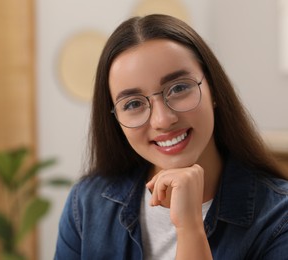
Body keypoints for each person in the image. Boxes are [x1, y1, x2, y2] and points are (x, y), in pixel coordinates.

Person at [54, 14, 288, 259]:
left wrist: (190, 229)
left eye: (178, 88)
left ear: (214, 89)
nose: (162, 120)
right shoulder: (87, 203)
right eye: (133, 104)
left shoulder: (279, 218)